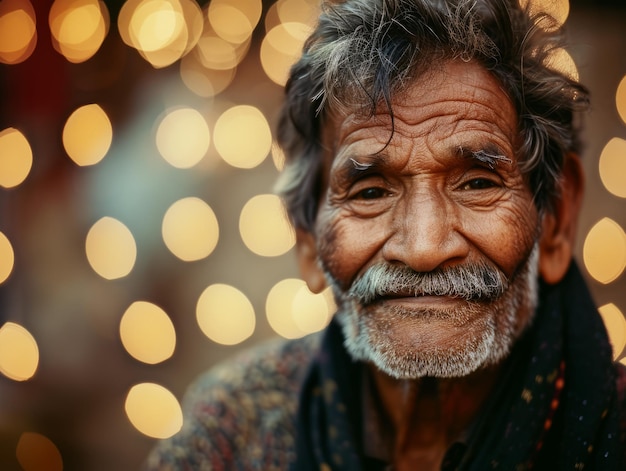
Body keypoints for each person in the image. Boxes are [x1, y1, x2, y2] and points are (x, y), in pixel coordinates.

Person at [143, 0, 626, 469]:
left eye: (477, 183)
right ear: (308, 239)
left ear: (557, 220)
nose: (423, 248)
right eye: (370, 192)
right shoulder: (230, 433)